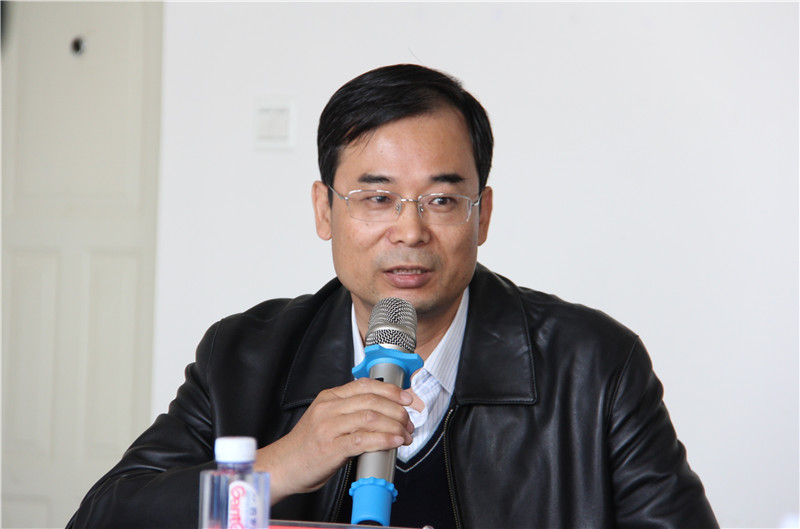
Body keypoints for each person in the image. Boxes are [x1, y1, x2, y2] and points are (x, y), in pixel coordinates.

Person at [68, 64, 718, 529]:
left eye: (442, 200)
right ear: (324, 209)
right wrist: (279, 466)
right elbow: (105, 516)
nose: (410, 231)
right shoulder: (244, 356)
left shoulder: (594, 366)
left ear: (483, 215)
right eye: (377, 198)